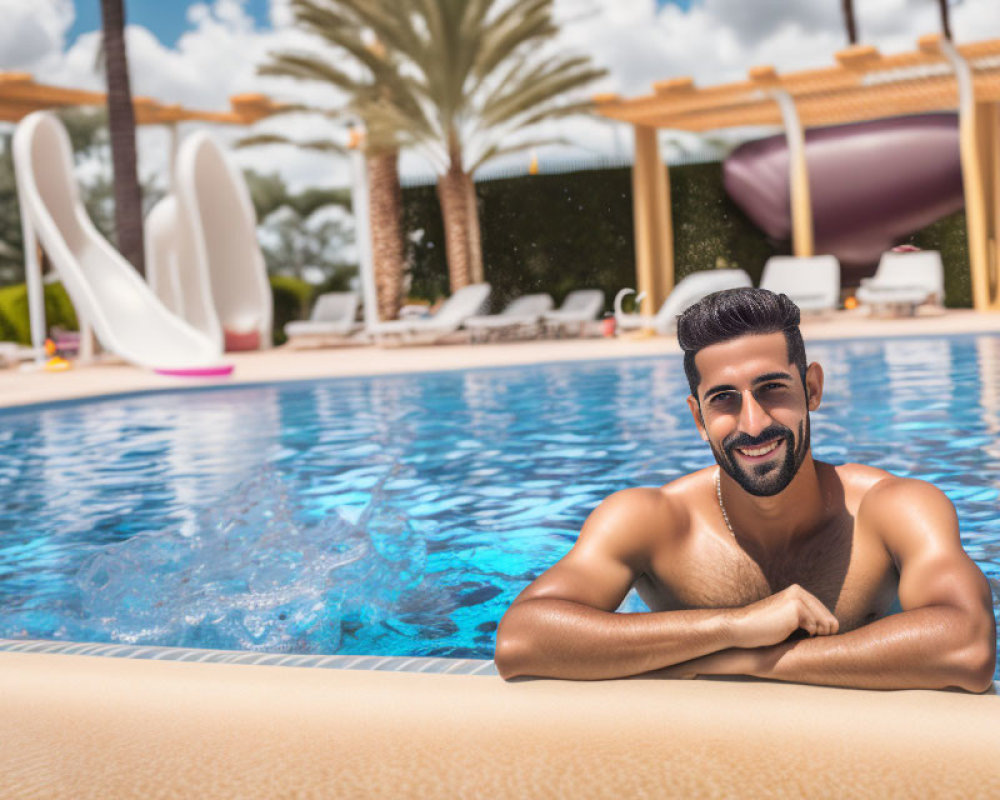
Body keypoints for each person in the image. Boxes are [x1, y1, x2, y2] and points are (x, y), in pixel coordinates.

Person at [494, 288, 996, 691]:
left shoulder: (892, 508)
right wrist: (730, 626)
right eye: (724, 400)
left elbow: (968, 646)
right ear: (698, 416)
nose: (753, 424)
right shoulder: (652, 519)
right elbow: (521, 639)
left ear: (812, 389)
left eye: (773, 388)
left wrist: (748, 661)